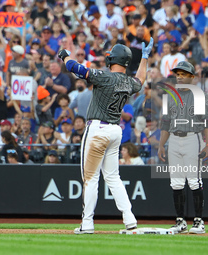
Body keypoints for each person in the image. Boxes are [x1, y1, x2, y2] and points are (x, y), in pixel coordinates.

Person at [58, 37, 153, 233]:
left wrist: (65, 57)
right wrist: (145, 57)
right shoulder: (128, 81)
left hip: (97, 130)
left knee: (91, 178)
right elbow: (141, 79)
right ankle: (129, 219)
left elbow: (78, 69)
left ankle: (87, 224)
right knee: (113, 177)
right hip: (115, 131)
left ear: (113, 59)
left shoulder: (104, 76)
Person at [158, 61, 208, 234]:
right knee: (176, 183)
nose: (180, 77)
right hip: (174, 139)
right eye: (178, 74)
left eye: (183, 74)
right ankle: (180, 221)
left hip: (192, 137)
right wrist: (161, 145)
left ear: (191, 77)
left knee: (194, 180)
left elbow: (207, 123)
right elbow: (166, 123)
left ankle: (198, 222)